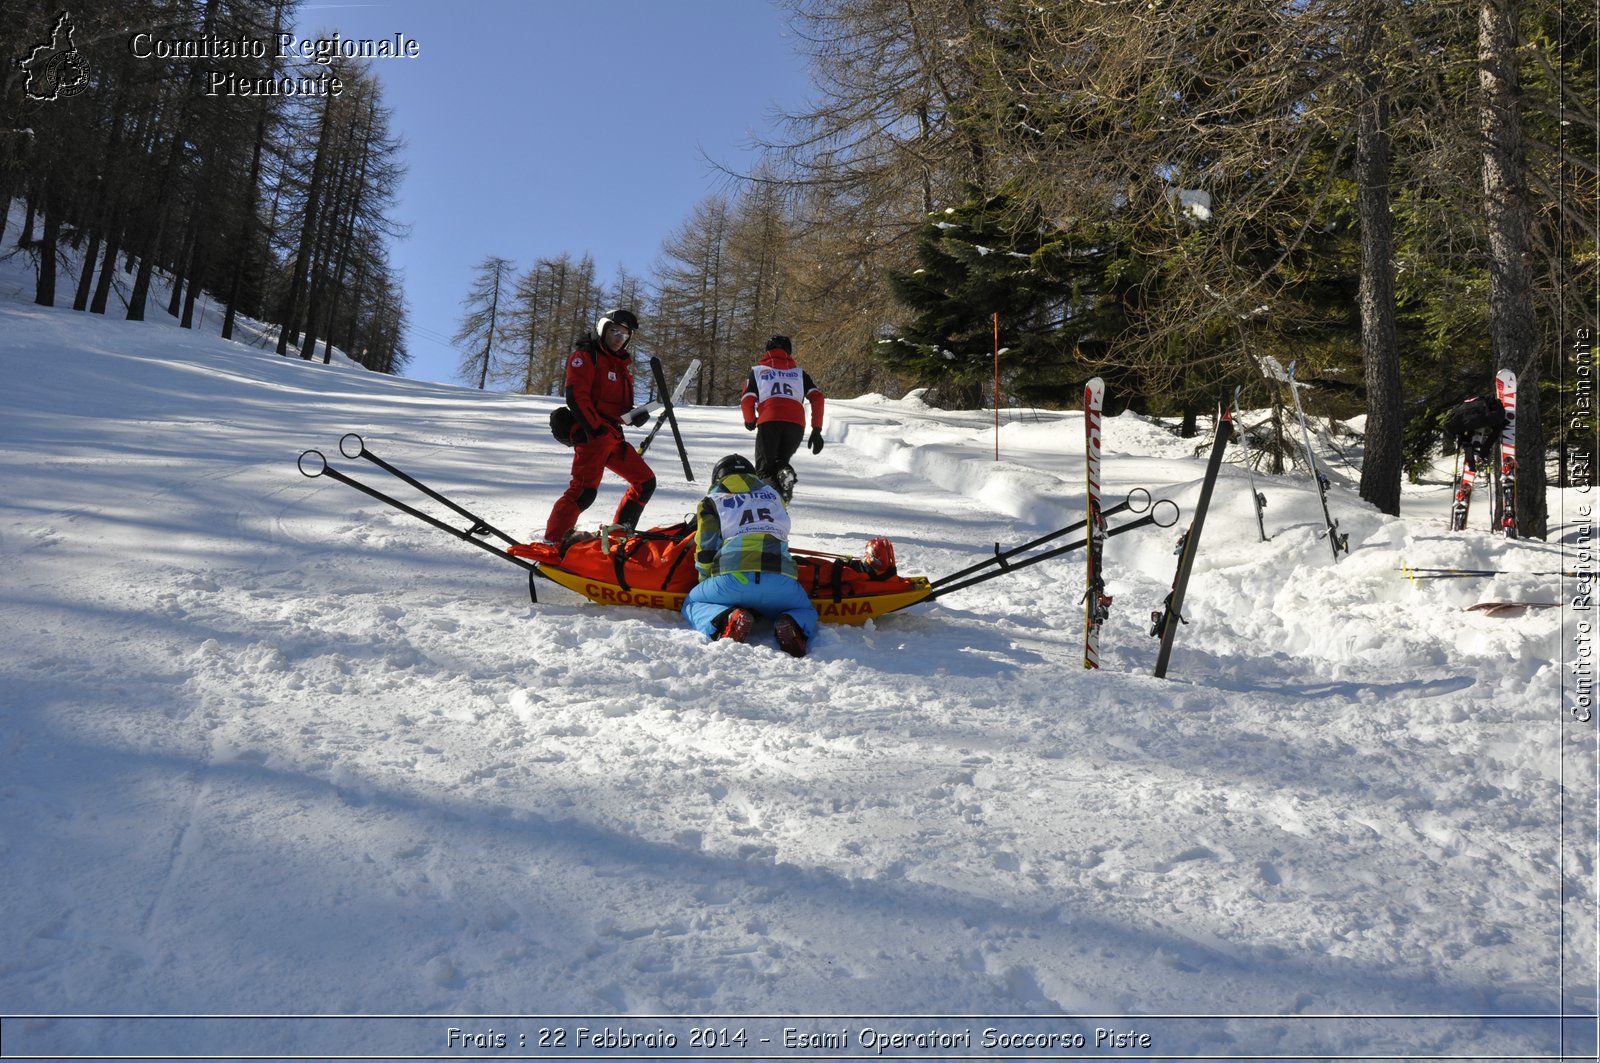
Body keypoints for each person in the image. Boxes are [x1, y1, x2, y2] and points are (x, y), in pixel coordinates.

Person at [681, 454, 819, 658]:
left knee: (691, 603)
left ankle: (726, 619)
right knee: (806, 610)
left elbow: (706, 548)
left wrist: (705, 580)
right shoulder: (775, 497)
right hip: (781, 581)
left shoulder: (712, 501)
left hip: (732, 579)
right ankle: (793, 622)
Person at [541, 309, 655, 546]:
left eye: (624, 336)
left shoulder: (621, 367)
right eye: (614, 331)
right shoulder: (585, 356)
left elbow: (619, 410)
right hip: (593, 435)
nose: (618, 338)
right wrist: (595, 430)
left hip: (613, 436)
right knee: (583, 491)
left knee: (645, 482)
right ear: (603, 328)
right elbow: (576, 396)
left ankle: (620, 535)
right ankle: (554, 544)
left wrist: (635, 417)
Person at [739, 335, 825, 490]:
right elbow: (817, 397)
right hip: (796, 425)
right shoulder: (800, 374)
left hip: (769, 422)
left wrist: (750, 420)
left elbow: (747, 399)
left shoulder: (758, 372)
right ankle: (782, 490)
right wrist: (816, 430)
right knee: (780, 464)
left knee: (765, 470)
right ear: (788, 351)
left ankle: (766, 503)